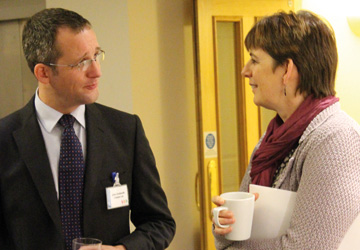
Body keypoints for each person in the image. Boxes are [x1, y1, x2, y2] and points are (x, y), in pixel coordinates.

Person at [0, 8, 175, 250]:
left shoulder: (126, 130)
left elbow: (159, 223)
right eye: (82, 62)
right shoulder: (4, 140)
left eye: (96, 55)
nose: (97, 71)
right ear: (43, 73)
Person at [212, 10, 360, 250]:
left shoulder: (336, 139)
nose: (245, 71)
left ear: (287, 70)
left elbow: (306, 248)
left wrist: (237, 244)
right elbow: (234, 236)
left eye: (255, 60)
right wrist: (225, 226)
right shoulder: (271, 139)